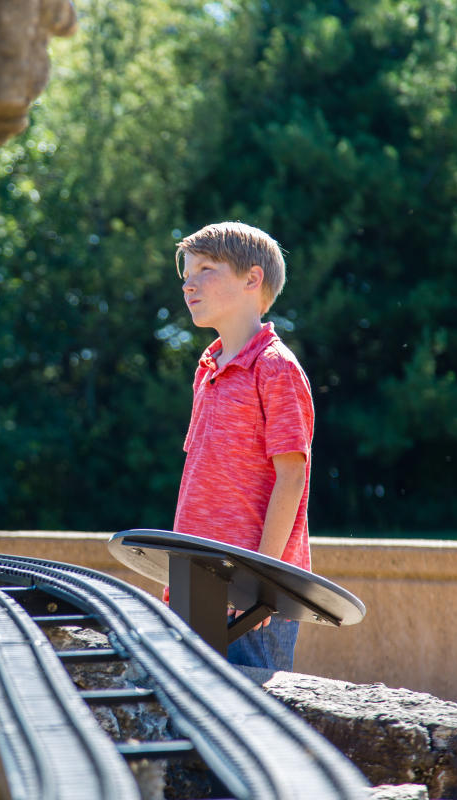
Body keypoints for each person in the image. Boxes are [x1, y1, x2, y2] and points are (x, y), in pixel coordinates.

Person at [171, 221, 315, 671]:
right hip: (196, 578)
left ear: (252, 279)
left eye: (206, 269)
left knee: (257, 722)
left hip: (254, 590)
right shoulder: (207, 367)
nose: (189, 284)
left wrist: (261, 581)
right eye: (185, 275)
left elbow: (292, 476)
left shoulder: (275, 368)